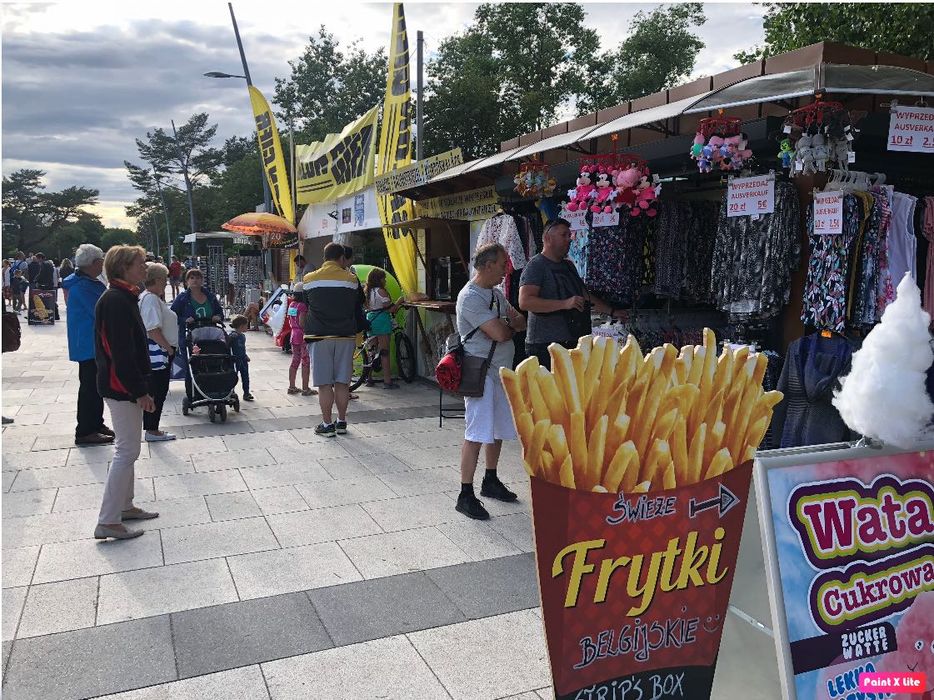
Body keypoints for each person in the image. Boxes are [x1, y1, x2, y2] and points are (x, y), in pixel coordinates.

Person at [454, 243, 527, 520]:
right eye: (501, 265)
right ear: (486, 266)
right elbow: (503, 333)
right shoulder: (470, 297)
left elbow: (520, 321)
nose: (506, 270)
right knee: (476, 434)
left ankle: (491, 480)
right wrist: (506, 326)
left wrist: (506, 325)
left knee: (496, 430)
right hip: (480, 374)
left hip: (499, 373)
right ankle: (465, 493)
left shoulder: (495, 294)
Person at [94, 245, 158, 540]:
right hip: (121, 388)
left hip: (122, 386)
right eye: (140, 263)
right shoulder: (116, 300)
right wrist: (138, 391)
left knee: (129, 448)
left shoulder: (123, 297)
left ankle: (125, 506)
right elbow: (120, 352)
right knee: (127, 450)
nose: (145, 268)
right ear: (123, 267)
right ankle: (108, 520)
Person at [518, 218, 624, 370]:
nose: (570, 239)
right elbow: (525, 301)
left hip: (574, 342)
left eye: (570, 235)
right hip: (545, 346)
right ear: (548, 238)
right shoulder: (536, 265)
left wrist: (612, 311)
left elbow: (584, 295)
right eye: (564, 235)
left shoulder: (568, 265)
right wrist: (565, 304)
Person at [303, 242, 363, 437]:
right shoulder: (352, 280)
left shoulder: (309, 279)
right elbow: (359, 303)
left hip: (319, 335)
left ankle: (327, 424)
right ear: (342, 258)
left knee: (324, 384)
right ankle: (342, 422)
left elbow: (307, 303)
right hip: (345, 335)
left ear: (324, 257)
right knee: (342, 382)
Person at [63, 244, 113, 446]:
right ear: (94, 263)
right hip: (88, 344)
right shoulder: (82, 286)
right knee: (90, 388)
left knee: (95, 386)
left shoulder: (85, 282)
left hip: (90, 342)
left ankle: (96, 423)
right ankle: (85, 430)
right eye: (101, 259)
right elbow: (100, 311)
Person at [139, 262, 178, 442]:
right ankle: (152, 429)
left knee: (158, 390)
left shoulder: (152, 297)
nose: (166, 283)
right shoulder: (151, 299)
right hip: (159, 352)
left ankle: (152, 427)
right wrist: (168, 348)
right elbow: (152, 329)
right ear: (157, 279)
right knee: (157, 391)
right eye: (164, 279)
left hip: (160, 350)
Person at [171, 268, 223, 399]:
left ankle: (214, 390)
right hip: (190, 337)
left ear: (202, 280)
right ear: (187, 281)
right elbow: (171, 316)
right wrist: (184, 320)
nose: (195, 280)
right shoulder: (182, 298)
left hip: (210, 336)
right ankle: (193, 394)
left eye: (198, 277)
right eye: (192, 278)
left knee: (213, 363)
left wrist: (218, 316)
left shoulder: (210, 296)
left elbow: (220, 312)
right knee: (192, 365)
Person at [363, 267, 403, 389]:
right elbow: (391, 309)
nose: (385, 281)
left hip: (370, 319)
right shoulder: (381, 291)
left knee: (372, 351)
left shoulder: (367, 292)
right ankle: (387, 381)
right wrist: (399, 302)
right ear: (379, 279)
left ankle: (368, 378)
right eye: (383, 278)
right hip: (381, 321)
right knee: (384, 352)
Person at [286, 282, 315, 396]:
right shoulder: (302, 306)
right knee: (305, 362)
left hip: (293, 334)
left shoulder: (291, 304)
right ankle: (305, 388)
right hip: (302, 336)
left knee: (295, 360)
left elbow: (290, 319)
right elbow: (302, 322)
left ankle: (292, 386)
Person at [228, 315, 254, 401]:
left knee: (245, 377)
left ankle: (246, 393)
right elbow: (227, 346)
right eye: (247, 325)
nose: (247, 327)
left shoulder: (242, 336)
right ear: (241, 326)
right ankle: (231, 392)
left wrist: (245, 355)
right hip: (234, 360)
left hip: (243, 360)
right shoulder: (232, 336)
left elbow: (242, 348)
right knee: (233, 377)